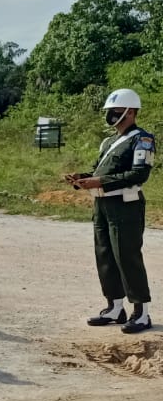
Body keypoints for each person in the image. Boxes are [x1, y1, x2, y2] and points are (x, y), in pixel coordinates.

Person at [64, 87, 155, 334]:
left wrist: (100, 182)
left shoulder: (142, 139)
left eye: (115, 111)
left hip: (126, 205)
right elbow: (98, 172)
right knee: (105, 255)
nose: (111, 116)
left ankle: (141, 312)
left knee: (127, 256)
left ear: (131, 112)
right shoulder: (109, 142)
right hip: (102, 204)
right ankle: (114, 307)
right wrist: (82, 178)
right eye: (109, 111)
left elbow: (139, 173)